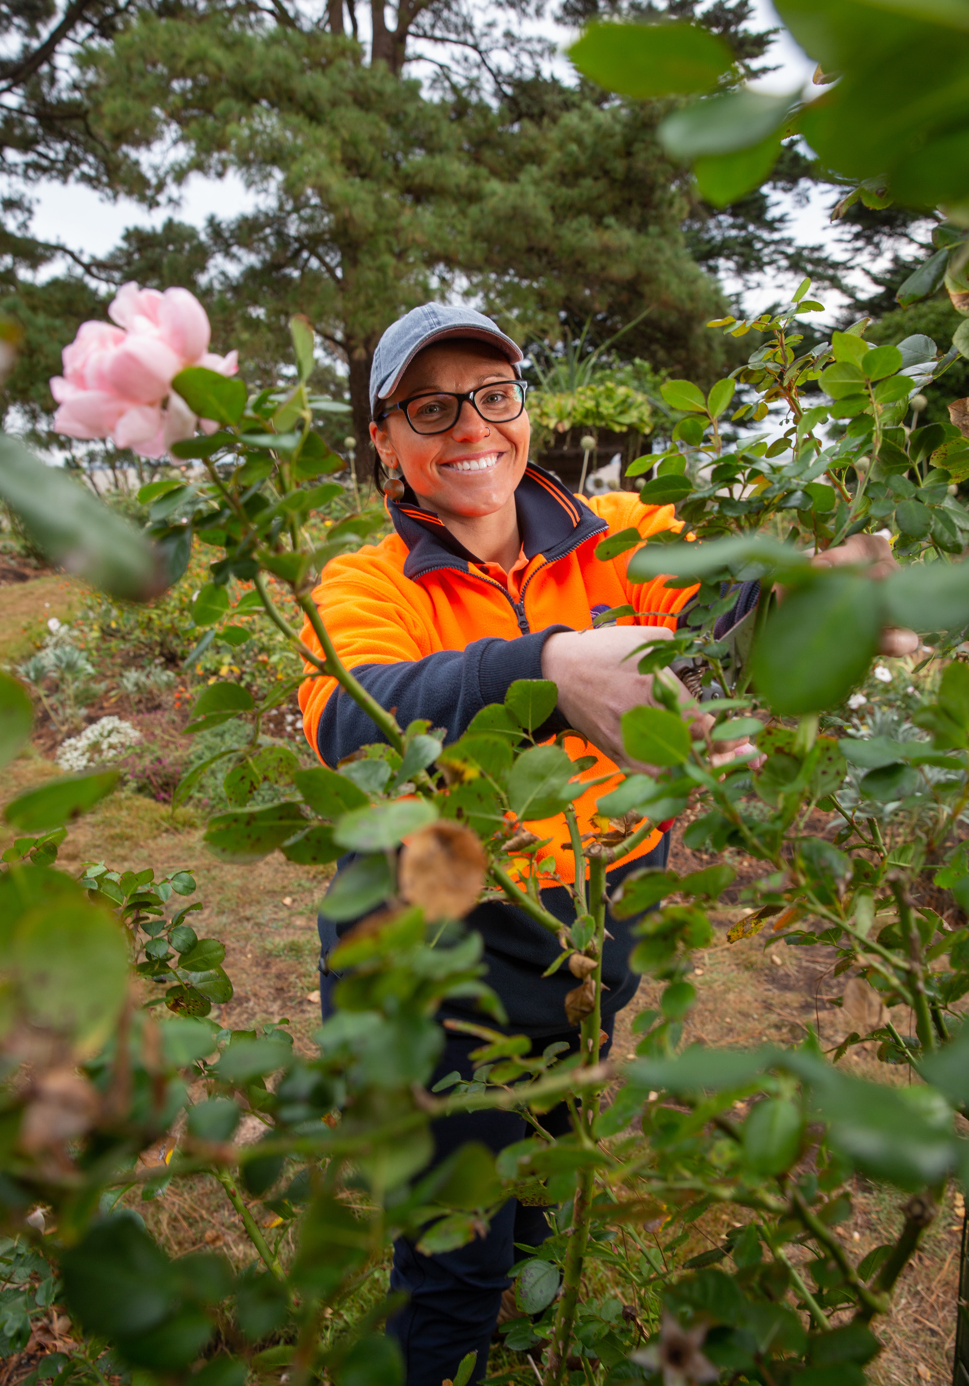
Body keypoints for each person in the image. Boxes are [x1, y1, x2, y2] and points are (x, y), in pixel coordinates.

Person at [297, 303, 916, 1385]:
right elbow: (356, 720)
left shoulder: (622, 528)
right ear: (385, 442)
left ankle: (530, 1346)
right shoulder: (365, 583)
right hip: (427, 948)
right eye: (431, 407)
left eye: (493, 395)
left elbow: (715, 636)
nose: (471, 427)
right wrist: (546, 668)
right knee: (452, 1258)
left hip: (590, 927)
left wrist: (812, 590)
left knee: (540, 1178)